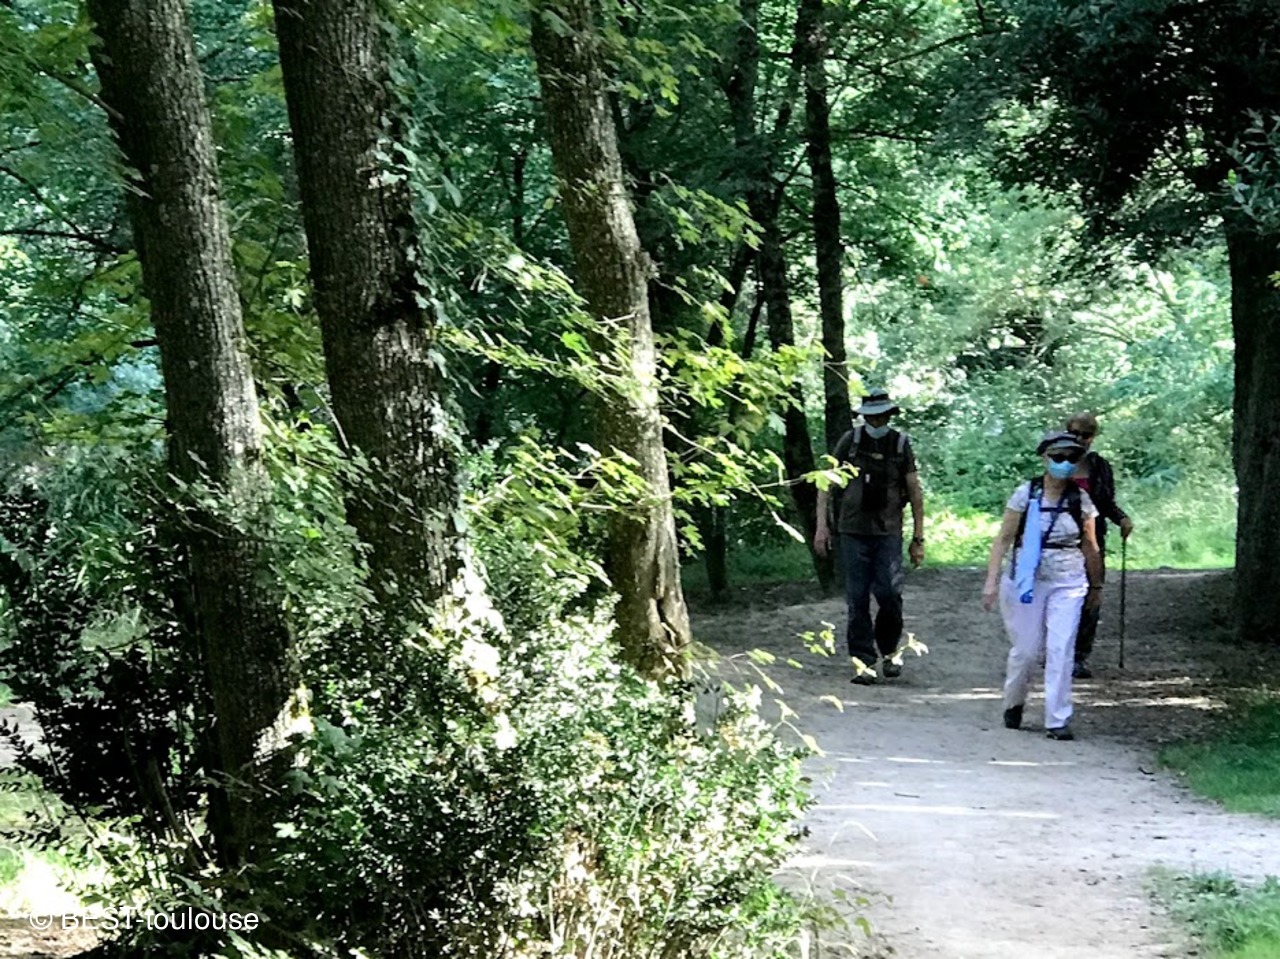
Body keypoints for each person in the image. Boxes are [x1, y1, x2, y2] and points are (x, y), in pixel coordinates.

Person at [982, 431, 1103, 741]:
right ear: (1045, 459)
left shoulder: (1081, 499)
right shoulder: (1026, 494)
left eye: (1072, 458)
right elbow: (1003, 539)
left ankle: (1057, 718)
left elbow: (1090, 546)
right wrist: (991, 582)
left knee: (1061, 648)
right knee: (1025, 651)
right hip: (1026, 580)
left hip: (1069, 582)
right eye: (1058, 457)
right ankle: (1014, 702)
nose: (1065, 463)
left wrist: (1096, 586)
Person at [814, 389, 925, 684]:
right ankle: (863, 661)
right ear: (864, 417)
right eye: (871, 416)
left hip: (888, 532)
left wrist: (918, 538)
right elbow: (825, 483)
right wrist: (822, 526)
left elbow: (914, 491)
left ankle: (889, 652)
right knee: (857, 598)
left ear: (889, 415)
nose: (877, 421)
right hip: (852, 532)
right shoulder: (850, 442)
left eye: (881, 416)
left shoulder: (900, 444)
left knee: (890, 594)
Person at [1064, 411, 1134, 679]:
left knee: (1092, 595)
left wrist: (1122, 519)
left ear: (1093, 437)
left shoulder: (1099, 466)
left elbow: (1105, 502)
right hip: (1058, 540)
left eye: (1086, 434)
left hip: (1092, 538)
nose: (1080, 439)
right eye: (1075, 433)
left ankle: (1079, 656)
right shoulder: (1057, 460)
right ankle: (1059, 649)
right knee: (1060, 594)